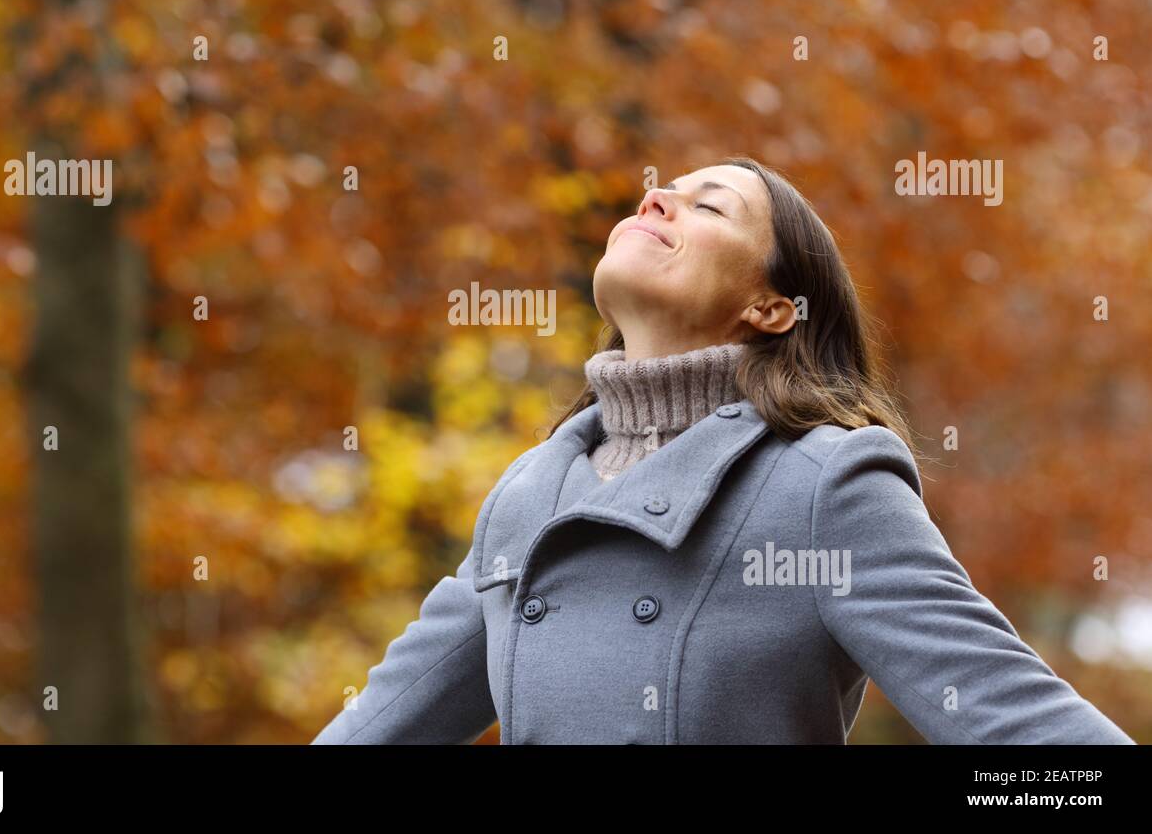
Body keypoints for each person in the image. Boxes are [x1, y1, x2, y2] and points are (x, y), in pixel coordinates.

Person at [312, 156, 1135, 745]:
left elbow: (1015, 720)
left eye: (709, 208)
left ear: (773, 308)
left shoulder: (823, 485)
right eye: (660, 193)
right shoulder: (529, 497)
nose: (657, 200)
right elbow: (378, 724)